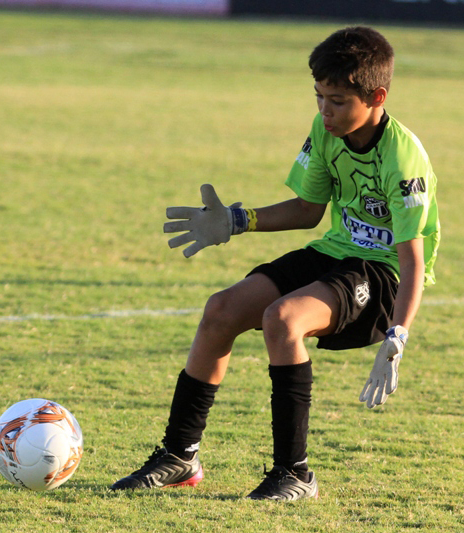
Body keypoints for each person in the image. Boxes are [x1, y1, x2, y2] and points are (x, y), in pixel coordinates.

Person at [111, 26, 440, 501]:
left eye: (338, 101)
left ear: (377, 96)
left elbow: (411, 258)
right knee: (221, 309)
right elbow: (308, 210)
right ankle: (179, 455)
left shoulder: (403, 159)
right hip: (335, 251)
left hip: (384, 276)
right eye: (319, 97)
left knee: (283, 319)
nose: (325, 111)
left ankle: (295, 474)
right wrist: (236, 220)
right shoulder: (324, 130)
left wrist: (398, 334)